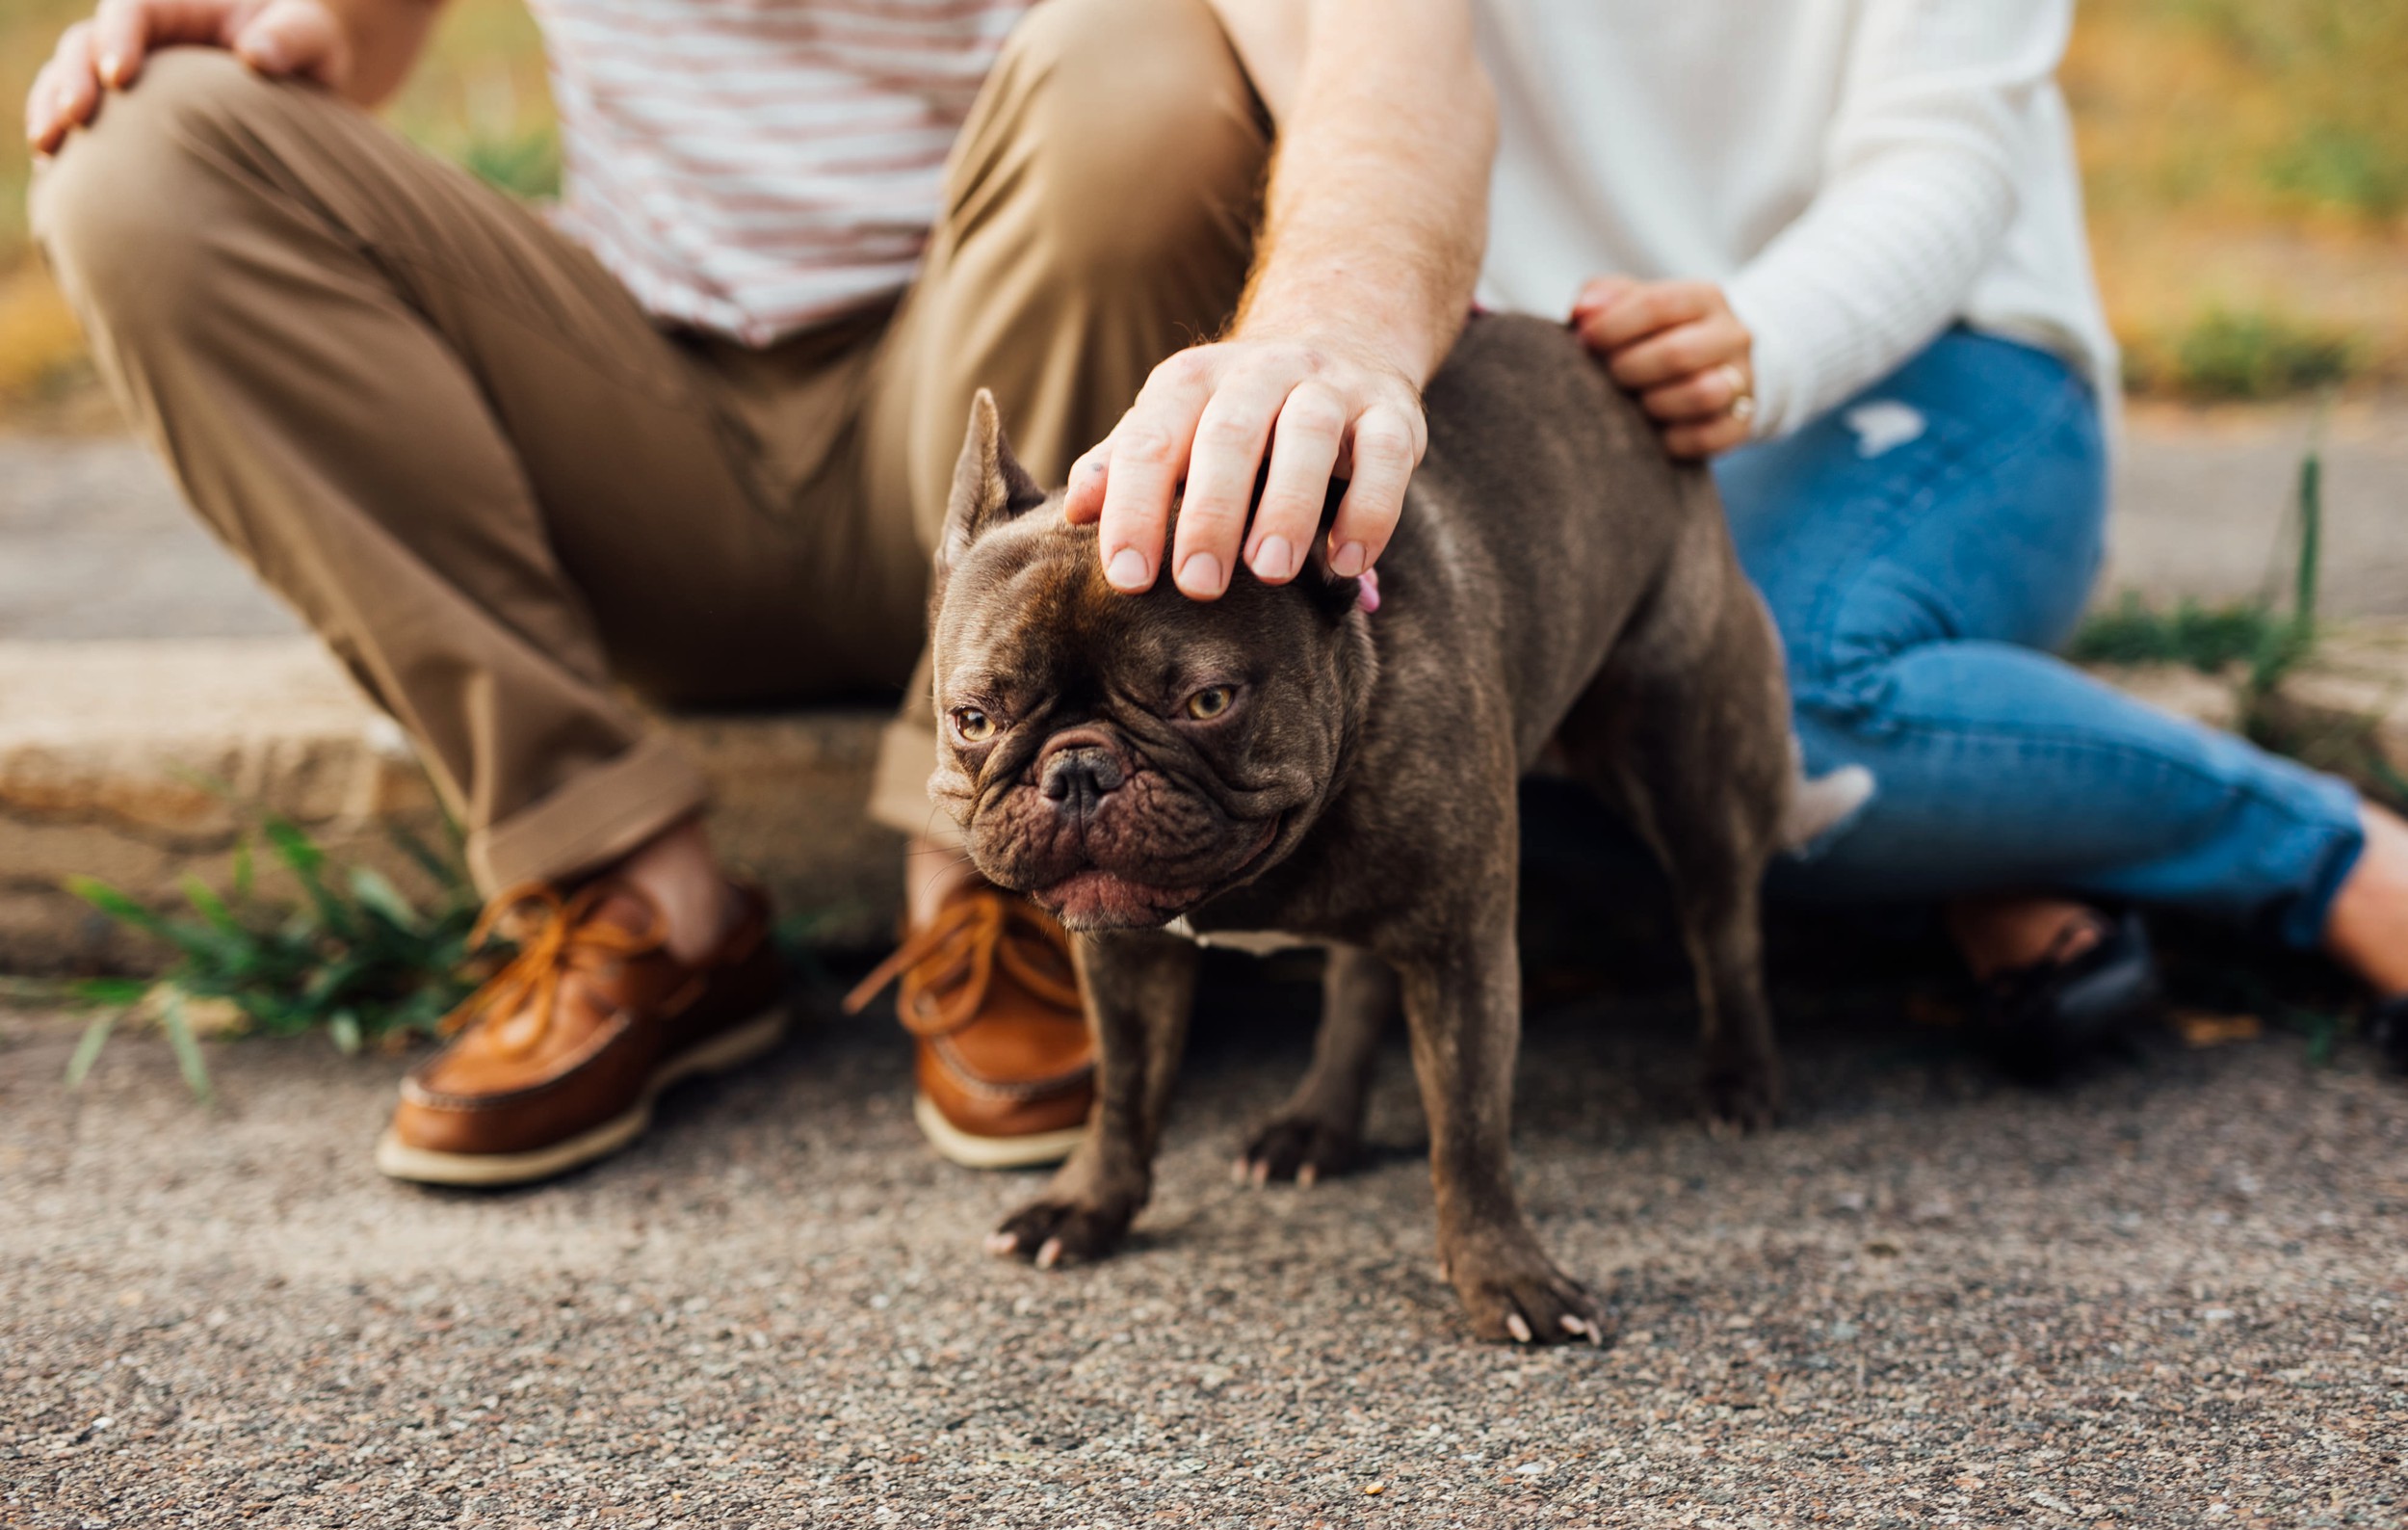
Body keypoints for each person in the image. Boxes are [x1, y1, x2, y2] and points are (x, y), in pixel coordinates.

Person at [25, 0, 1495, 1181]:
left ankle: (1002, 875)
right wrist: (298, 28)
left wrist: (1339, 323)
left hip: (1026, 446)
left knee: (1146, 48)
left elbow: (1385, 38)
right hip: (636, 420)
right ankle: (616, 878)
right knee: (141, 149)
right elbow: (352, 35)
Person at [1477, 0, 2408, 1067]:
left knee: (1760, 700)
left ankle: (2332, 858)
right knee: (1448, 717)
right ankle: (1962, 858)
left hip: (1929, 352)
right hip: (1548, 422)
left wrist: (1765, 337)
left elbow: (1945, 149)